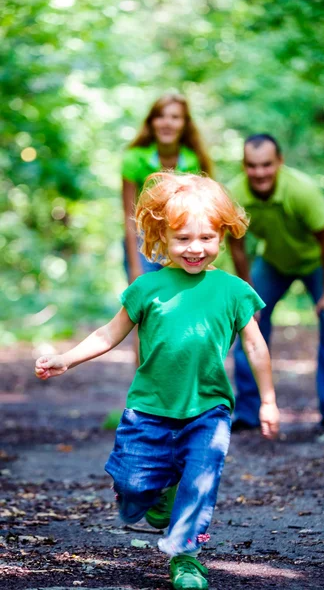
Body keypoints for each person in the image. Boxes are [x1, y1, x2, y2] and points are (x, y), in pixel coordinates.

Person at [35, 172, 280, 590]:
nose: (195, 248)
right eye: (183, 238)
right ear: (161, 235)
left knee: (202, 481)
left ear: (222, 235)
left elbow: (256, 347)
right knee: (133, 489)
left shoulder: (234, 291)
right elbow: (108, 334)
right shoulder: (147, 288)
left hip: (209, 409)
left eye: (206, 237)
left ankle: (186, 556)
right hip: (149, 409)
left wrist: (269, 401)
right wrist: (66, 359)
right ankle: (151, 495)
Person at [228, 134, 324, 435]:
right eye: (252, 166)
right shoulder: (234, 194)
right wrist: (246, 287)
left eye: (267, 165)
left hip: (320, 260)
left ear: (279, 162)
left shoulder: (301, 191)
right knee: (248, 322)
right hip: (275, 262)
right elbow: (237, 244)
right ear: (244, 166)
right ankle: (247, 410)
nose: (260, 173)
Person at [122, 93, 212, 283]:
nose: (167, 123)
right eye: (161, 116)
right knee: (145, 300)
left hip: (182, 235)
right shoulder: (134, 158)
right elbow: (129, 217)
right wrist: (135, 267)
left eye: (175, 117)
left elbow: (201, 215)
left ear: (184, 124)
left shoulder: (192, 161)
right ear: (152, 122)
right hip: (144, 239)